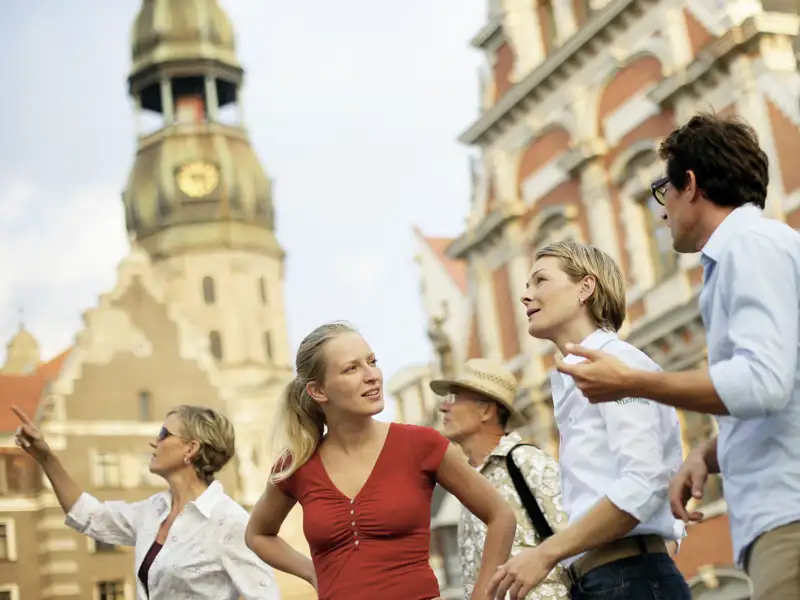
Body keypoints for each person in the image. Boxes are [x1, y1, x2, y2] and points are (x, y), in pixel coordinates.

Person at [550, 113, 800, 600]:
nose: (660, 212)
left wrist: (633, 383)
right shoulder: (752, 250)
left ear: (690, 185)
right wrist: (710, 452)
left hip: (789, 512)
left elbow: (764, 383)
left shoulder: (748, 249)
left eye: (663, 191)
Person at [244, 321, 517, 600]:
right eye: (352, 368)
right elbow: (258, 534)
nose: (371, 375)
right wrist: (313, 572)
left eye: (372, 362)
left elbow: (501, 516)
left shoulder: (422, 445)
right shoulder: (298, 463)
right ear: (319, 391)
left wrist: (483, 597)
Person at [489, 241, 689, 600]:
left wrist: (546, 554)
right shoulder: (573, 378)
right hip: (607, 580)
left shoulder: (619, 364)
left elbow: (643, 483)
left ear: (585, 287)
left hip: (627, 579)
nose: (525, 295)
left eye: (540, 281)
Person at [12, 404, 279, 600]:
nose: (154, 442)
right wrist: (45, 457)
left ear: (191, 448)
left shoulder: (231, 522)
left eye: (164, 434)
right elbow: (87, 515)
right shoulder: (152, 511)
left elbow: (266, 596)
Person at [432, 358, 570, 600]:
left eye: (454, 398)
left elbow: (574, 540)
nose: (443, 407)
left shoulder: (526, 461)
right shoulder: (469, 481)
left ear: (486, 410)